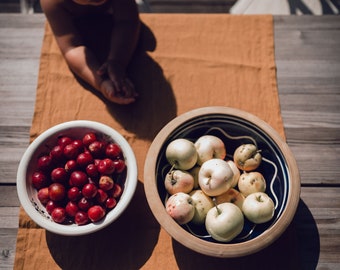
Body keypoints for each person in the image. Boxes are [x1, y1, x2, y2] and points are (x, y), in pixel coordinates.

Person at [40, 0, 141, 104]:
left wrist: (117, 61)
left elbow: (127, 22)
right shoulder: (52, 2)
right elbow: (71, 48)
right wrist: (101, 82)